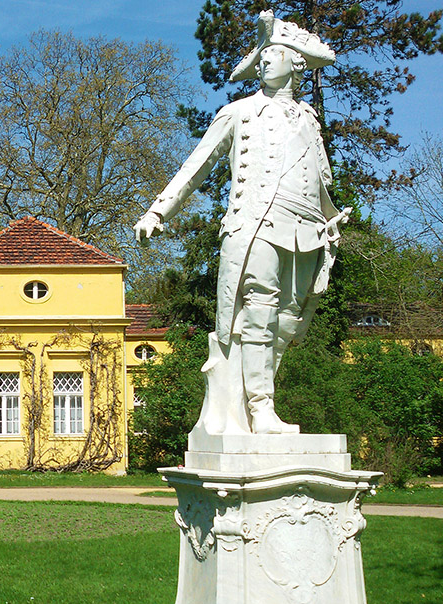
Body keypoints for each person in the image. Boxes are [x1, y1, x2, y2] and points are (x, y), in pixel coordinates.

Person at [135, 10, 350, 434]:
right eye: (262, 55)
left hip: (305, 228)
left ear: (296, 64)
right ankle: (260, 408)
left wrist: (331, 219)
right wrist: (159, 209)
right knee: (258, 310)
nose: (265, 61)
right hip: (256, 224)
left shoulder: (309, 118)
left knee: (288, 320)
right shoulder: (239, 112)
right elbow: (195, 166)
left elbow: (318, 177)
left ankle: (259, 402)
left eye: (274, 54)